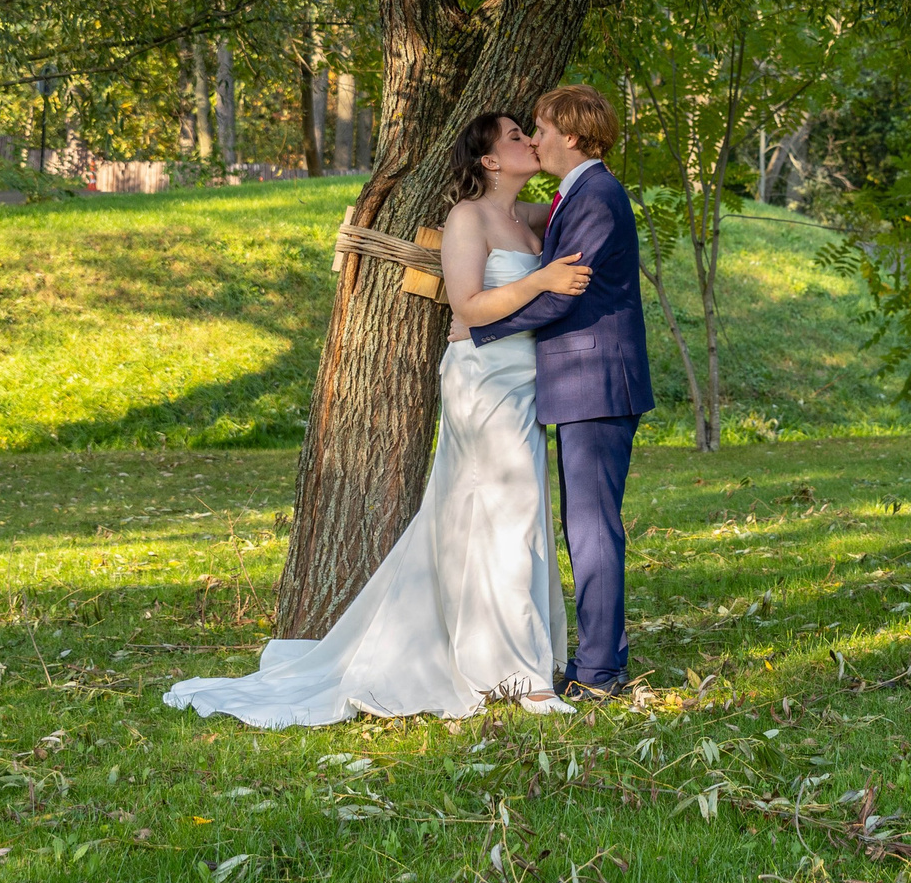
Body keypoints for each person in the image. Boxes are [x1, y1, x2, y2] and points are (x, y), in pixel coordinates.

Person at [162, 113, 592, 726]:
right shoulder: (467, 218)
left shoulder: (524, 218)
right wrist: (546, 278)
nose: (530, 142)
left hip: (526, 381)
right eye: (517, 137)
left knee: (504, 515)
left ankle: (503, 654)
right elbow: (468, 304)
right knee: (509, 508)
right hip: (483, 376)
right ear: (490, 161)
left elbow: (573, 207)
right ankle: (516, 673)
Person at [468, 83, 655, 699]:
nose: (536, 138)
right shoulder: (574, 195)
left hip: (596, 381)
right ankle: (595, 661)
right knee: (585, 524)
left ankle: (599, 672)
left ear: (571, 136)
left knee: (593, 527)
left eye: (542, 129)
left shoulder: (596, 195)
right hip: (581, 381)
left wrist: (479, 325)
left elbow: (562, 291)